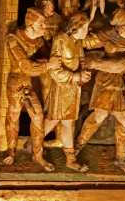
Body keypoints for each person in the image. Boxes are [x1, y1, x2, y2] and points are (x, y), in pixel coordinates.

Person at [75, 9, 125, 176]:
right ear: (120, 27)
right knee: (101, 116)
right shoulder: (109, 34)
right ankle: (77, 147)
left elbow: (123, 66)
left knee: (121, 118)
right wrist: (77, 36)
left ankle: (119, 158)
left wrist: (95, 63)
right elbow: (88, 43)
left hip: (117, 82)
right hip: (105, 82)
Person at [2, 8, 59, 172]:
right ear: (31, 25)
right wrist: (48, 65)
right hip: (16, 83)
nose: (44, 27)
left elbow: (46, 56)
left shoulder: (39, 41)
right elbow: (26, 66)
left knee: (38, 117)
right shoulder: (13, 39)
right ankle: (11, 151)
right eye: (42, 24)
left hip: (30, 84)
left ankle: (37, 155)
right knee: (14, 116)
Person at [43, 13, 93, 171]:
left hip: (73, 89)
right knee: (53, 119)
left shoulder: (78, 42)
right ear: (75, 27)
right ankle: (34, 145)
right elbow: (54, 69)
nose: (87, 31)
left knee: (68, 122)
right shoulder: (60, 39)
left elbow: (82, 60)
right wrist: (75, 76)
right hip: (61, 87)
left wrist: (84, 73)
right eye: (84, 28)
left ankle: (70, 159)